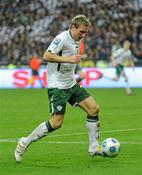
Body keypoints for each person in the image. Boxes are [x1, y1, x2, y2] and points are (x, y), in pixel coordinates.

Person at [14, 14, 104, 162]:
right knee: (56, 123)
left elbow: (71, 61)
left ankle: (94, 148)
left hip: (71, 83)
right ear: (73, 27)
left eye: (86, 32)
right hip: (57, 86)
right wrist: (68, 59)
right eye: (81, 31)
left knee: (94, 109)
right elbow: (46, 56)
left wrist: (75, 67)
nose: (84, 35)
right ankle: (24, 142)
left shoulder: (78, 39)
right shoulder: (62, 38)